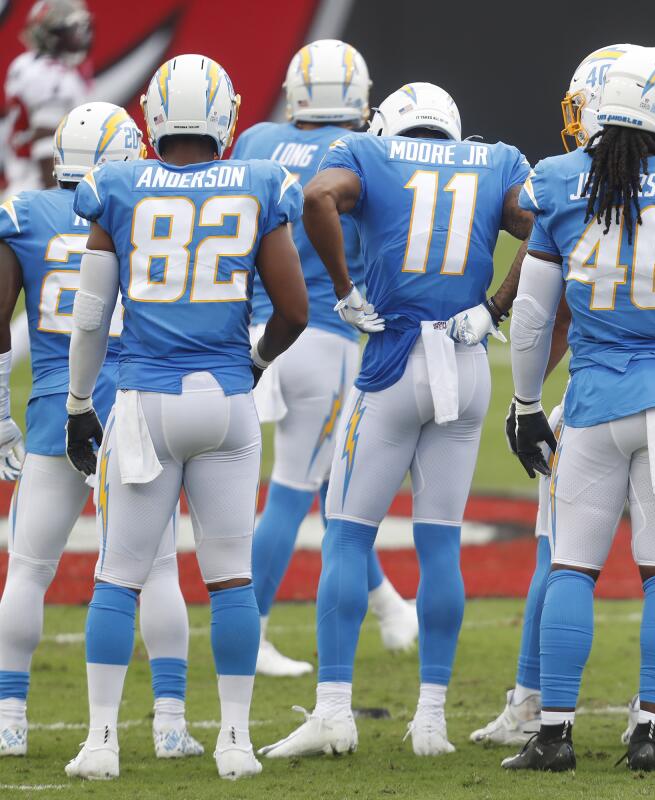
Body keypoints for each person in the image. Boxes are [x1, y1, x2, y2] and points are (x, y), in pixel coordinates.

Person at [470, 41, 655, 750]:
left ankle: (554, 733)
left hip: (592, 405)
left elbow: (532, 317)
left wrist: (527, 404)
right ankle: (651, 729)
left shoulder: (562, 182)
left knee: (571, 565)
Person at [260, 81, 533, 760]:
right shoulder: (495, 159)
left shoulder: (369, 154)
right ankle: (432, 722)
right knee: (439, 545)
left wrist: (346, 291)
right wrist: (496, 304)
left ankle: (333, 713)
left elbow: (316, 197)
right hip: (465, 365)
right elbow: (557, 223)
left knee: (348, 537)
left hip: (390, 360)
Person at [63, 54, 309, 780]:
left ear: (154, 117)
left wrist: (80, 403)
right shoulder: (260, 183)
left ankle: (100, 743)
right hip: (228, 403)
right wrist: (255, 364)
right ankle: (234, 740)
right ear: (227, 117)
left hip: (144, 402)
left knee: (119, 577)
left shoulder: (116, 185)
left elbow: (88, 319)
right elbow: (294, 310)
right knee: (231, 578)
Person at [0, 102, 201, 760]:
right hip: (134, 408)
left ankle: (9, 717)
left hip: (56, 408)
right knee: (159, 566)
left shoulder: (24, 215)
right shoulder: (140, 206)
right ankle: (169, 723)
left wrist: (2, 411)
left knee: (27, 570)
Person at [232, 39, 417, 679]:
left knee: (320, 481)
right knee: (295, 488)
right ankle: (247, 632)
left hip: (250, 329)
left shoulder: (255, 140)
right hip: (320, 333)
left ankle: (389, 601)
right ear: (361, 99)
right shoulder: (364, 152)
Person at [3, 0, 94, 367]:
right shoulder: (53, 77)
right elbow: (45, 145)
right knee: (52, 294)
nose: (80, 34)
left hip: (16, 188)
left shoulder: (24, 65)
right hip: (36, 192)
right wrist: (59, 200)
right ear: (51, 33)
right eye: (71, 27)